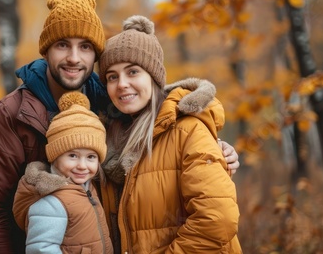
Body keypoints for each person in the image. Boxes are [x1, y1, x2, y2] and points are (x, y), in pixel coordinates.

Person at [0, 0, 240, 254]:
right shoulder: (13, 112)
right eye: (62, 44)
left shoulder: (109, 106)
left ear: (95, 55)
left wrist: (216, 151)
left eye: (85, 47)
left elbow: (168, 140)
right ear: (46, 50)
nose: (74, 58)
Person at [98, 15, 242, 253]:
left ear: (153, 77)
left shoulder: (189, 131)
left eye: (132, 72)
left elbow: (217, 220)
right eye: (112, 77)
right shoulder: (111, 141)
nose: (121, 83)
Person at [12, 91, 113, 254]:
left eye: (91, 157)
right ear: (54, 156)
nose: (82, 165)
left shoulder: (87, 188)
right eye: (72, 155)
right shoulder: (50, 202)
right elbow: (41, 249)